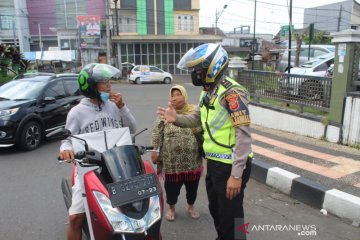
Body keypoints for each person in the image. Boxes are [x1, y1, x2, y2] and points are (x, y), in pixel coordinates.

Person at [157, 43, 253, 240]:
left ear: (213, 67)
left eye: (197, 69)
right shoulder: (208, 92)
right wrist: (177, 119)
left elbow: (243, 135)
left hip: (232, 164)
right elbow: (197, 119)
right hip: (216, 163)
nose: (195, 73)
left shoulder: (232, 93)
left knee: (232, 216)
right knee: (216, 209)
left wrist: (236, 175)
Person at [59, 63, 136, 240]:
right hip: (88, 170)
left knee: (135, 206)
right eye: (104, 82)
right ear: (92, 87)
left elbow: (132, 128)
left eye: (109, 81)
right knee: (75, 218)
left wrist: (123, 107)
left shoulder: (114, 105)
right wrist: (66, 151)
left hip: (117, 165)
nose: (109, 85)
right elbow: (67, 140)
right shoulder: (77, 112)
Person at [151, 85, 203, 222]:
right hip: (171, 162)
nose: (174, 98)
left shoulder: (195, 112)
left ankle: (190, 206)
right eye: (172, 95)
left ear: (184, 96)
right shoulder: (166, 112)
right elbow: (157, 132)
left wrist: (195, 130)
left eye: (178, 94)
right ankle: (172, 208)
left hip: (192, 161)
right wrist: (155, 150)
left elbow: (203, 128)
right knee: (171, 188)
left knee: (192, 187)